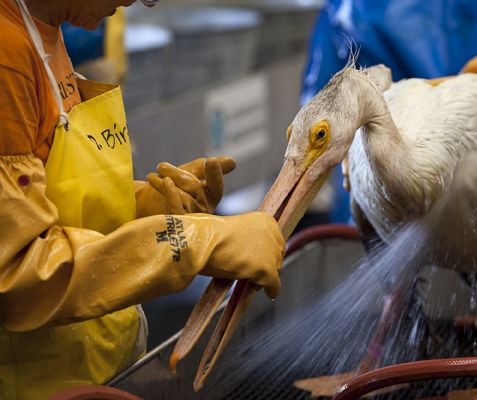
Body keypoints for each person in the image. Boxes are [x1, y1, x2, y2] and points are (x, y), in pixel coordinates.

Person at [0, 1, 285, 399]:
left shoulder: (45, 24)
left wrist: (146, 205)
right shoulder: (7, 54)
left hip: (92, 365)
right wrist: (185, 242)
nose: (140, 2)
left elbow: (45, 198)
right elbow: (18, 278)